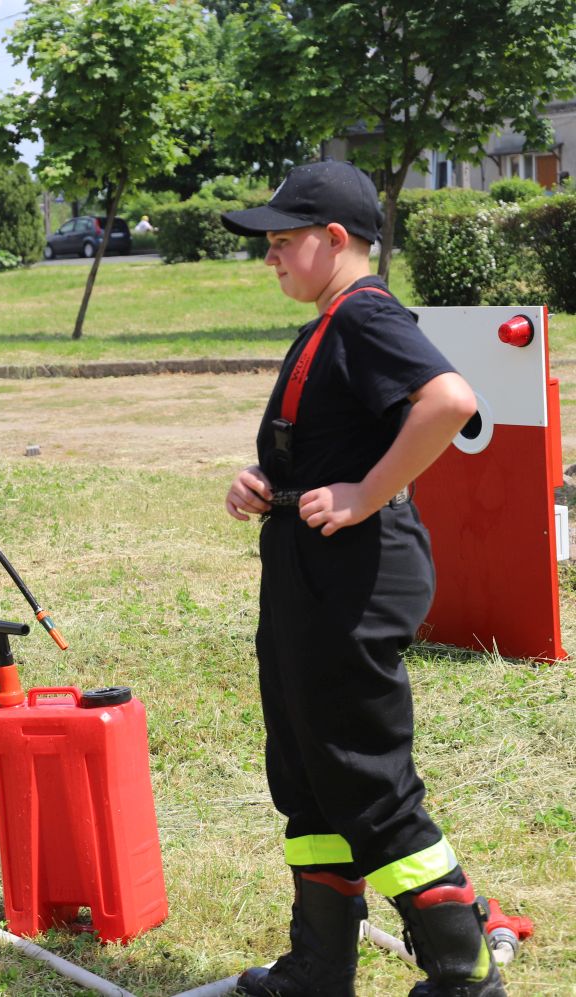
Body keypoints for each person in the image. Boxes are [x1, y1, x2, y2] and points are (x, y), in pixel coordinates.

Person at [219, 161, 504, 997]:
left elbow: (449, 401)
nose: (270, 259)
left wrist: (364, 493)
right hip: (309, 575)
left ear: (335, 240)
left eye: (281, 243)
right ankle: (319, 968)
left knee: (365, 777)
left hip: (354, 581)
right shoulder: (328, 321)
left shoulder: (366, 314)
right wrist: (268, 480)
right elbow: (334, 436)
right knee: (308, 772)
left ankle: (464, 970)